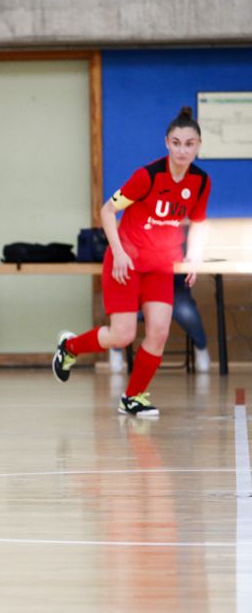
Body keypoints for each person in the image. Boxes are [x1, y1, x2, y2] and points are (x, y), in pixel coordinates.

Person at [53, 106, 211, 417]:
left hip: (161, 265)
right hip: (125, 262)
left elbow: (200, 223)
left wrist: (194, 257)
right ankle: (69, 348)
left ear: (198, 146)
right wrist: (120, 253)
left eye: (189, 143)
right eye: (176, 143)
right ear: (166, 143)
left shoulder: (201, 182)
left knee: (159, 332)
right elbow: (106, 212)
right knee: (122, 334)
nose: (182, 149)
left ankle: (133, 397)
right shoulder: (147, 177)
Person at [107, 273, 211, 374]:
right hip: (140, 288)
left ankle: (201, 346)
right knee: (124, 312)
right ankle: (116, 347)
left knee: (187, 313)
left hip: (173, 287)